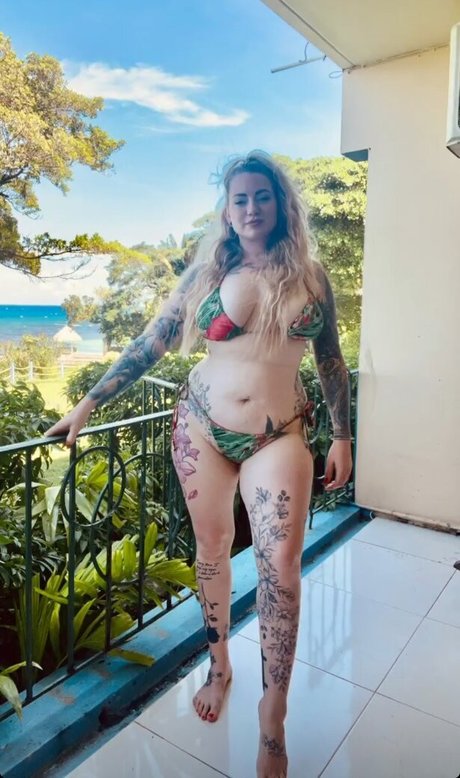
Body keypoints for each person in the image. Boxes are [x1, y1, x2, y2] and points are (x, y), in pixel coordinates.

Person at [46, 151, 353, 778]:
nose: (251, 207)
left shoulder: (310, 276)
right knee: (211, 550)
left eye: (262, 196)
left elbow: (330, 360)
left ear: (280, 204)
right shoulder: (208, 273)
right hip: (200, 426)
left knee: (280, 569)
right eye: (240, 199)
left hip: (278, 434)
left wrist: (342, 436)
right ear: (227, 211)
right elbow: (152, 342)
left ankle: (273, 714)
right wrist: (86, 405)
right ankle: (219, 666)